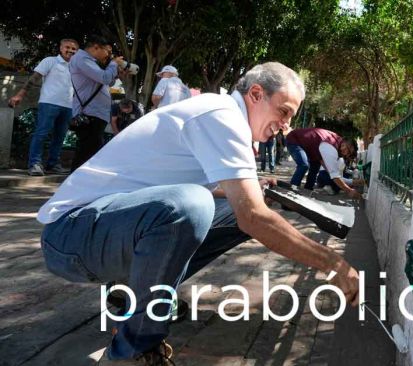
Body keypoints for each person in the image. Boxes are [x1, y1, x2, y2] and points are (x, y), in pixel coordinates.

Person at [36, 62, 359, 365]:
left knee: (229, 209)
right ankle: (134, 349)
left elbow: (229, 202)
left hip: (104, 228)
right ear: (257, 94)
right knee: (196, 206)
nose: (286, 124)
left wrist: (252, 189)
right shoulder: (221, 115)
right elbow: (253, 217)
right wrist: (333, 262)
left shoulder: (224, 116)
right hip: (70, 235)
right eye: (284, 111)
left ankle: (131, 295)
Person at [7, 38, 79, 176]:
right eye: (67, 47)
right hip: (49, 103)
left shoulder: (76, 67)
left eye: (74, 49)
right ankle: (34, 164)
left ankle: (53, 164)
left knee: (60, 137)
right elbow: (34, 78)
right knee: (41, 134)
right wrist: (19, 95)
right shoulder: (50, 61)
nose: (70, 50)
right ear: (60, 48)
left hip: (68, 106)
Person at [69, 34, 126, 172]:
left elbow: (107, 82)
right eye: (108, 51)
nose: (109, 55)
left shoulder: (91, 62)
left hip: (96, 114)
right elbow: (104, 77)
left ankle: (77, 185)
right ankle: (73, 186)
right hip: (89, 114)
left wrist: (117, 73)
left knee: (90, 153)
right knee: (87, 153)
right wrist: (113, 63)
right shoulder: (82, 58)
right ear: (96, 47)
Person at [286, 127, 362, 199]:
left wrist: (354, 182)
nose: (345, 152)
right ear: (344, 142)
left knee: (315, 168)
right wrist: (349, 190)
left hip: (312, 150)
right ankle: (291, 194)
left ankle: (307, 192)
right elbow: (335, 176)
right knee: (303, 165)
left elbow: (335, 175)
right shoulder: (331, 147)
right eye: (347, 149)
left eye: (348, 153)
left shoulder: (336, 142)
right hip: (295, 140)